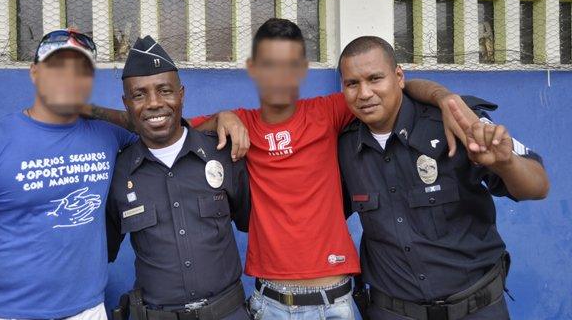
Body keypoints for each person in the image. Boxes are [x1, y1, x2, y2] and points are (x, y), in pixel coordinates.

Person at [86, 18, 481, 320]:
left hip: (339, 301)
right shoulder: (240, 124)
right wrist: (84, 111)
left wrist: (445, 97)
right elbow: (159, 119)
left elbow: (392, 88)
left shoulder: (330, 111)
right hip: (273, 303)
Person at [337, 36, 549, 320]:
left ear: (399, 76)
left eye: (375, 78)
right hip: (393, 311)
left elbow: (538, 185)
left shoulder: (456, 121)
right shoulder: (344, 147)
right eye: (352, 83)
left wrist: (506, 162)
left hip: (477, 308)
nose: (364, 93)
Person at [0, 29, 137, 320]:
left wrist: (222, 119)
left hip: (88, 311)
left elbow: (150, 127)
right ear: (34, 72)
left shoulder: (108, 135)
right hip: (5, 313)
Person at [106, 36, 251, 320]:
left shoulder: (222, 154)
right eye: (139, 95)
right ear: (126, 103)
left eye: (164, 90)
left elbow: (246, 218)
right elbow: (103, 249)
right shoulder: (119, 171)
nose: (154, 103)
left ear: (181, 94)